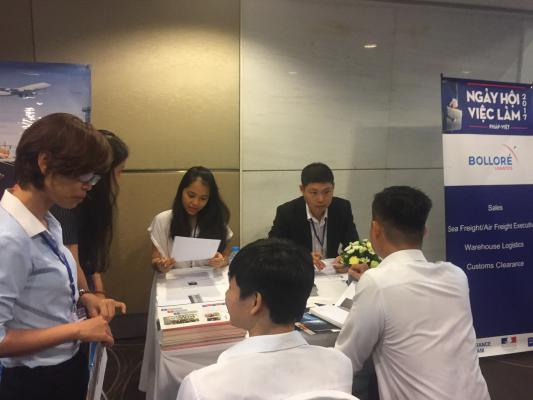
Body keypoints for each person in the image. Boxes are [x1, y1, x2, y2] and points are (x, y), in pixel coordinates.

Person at [335, 186, 490, 400]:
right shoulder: (456, 276)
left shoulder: (377, 283)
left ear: (375, 229)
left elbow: (346, 359)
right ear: (425, 230)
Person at [0, 113, 115, 400]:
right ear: (45, 162)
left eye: (94, 178)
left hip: (63, 363)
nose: (89, 185)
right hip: (36, 380)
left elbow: (39, 294)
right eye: (85, 175)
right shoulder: (9, 238)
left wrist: (84, 297)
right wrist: (77, 331)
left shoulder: (48, 220)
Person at [176, 238, 354, 400]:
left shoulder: (204, 388)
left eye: (230, 287)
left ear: (255, 301)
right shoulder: (339, 365)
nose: (226, 295)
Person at [51, 130, 129, 318]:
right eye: (119, 171)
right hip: (65, 294)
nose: (119, 179)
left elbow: (90, 259)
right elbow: (72, 258)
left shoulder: (92, 202)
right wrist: (88, 296)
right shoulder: (66, 203)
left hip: (80, 288)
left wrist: (99, 293)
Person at [269, 162, 359, 269]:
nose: (321, 199)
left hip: (332, 272)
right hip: (301, 271)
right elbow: (273, 251)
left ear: (333, 187)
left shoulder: (342, 208)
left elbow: (353, 245)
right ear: (302, 189)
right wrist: (302, 258)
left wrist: (346, 258)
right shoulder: (287, 212)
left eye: (326, 192)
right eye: (314, 193)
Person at [149, 166, 232, 272]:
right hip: (173, 279)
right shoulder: (162, 220)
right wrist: (160, 265)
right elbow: (155, 259)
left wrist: (222, 261)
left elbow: (226, 256)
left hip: (208, 279)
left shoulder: (216, 219)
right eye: (191, 195)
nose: (195, 203)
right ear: (181, 191)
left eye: (203, 198)